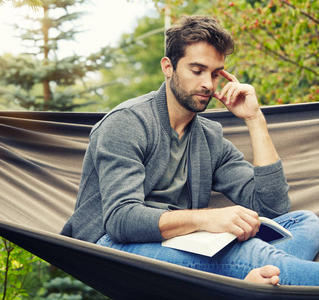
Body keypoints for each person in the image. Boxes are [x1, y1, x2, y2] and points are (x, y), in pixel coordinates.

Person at [61, 15, 319, 285]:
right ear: (168, 67)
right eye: (197, 71)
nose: (208, 83)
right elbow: (121, 219)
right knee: (251, 252)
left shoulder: (208, 137)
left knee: (306, 222)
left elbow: (273, 207)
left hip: (187, 242)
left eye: (216, 73)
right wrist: (207, 219)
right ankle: (250, 273)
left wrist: (255, 120)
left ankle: (254, 280)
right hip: (111, 248)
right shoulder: (127, 123)